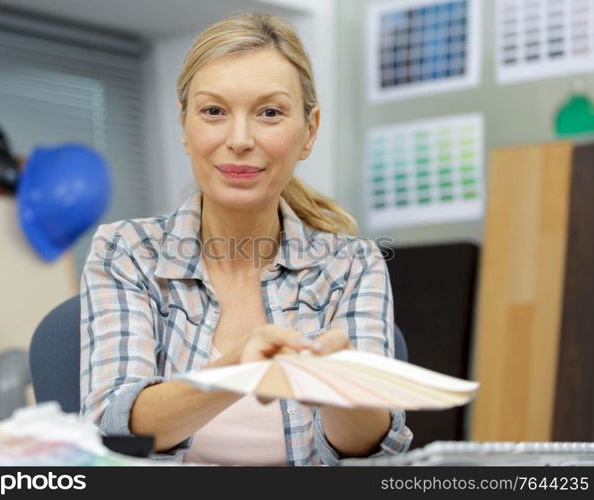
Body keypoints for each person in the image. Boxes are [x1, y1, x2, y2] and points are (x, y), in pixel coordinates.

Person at [80, 12, 413, 466]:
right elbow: (111, 427)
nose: (239, 139)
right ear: (184, 127)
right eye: (213, 111)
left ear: (309, 131)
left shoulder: (352, 264)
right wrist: (236, 370)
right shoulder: (127, 252)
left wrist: (337, 385)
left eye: (270, 112)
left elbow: (373, 449)